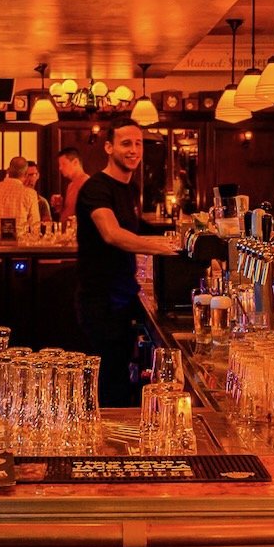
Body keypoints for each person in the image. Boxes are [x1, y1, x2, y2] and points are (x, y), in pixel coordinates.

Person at [75, 118, 176, 406]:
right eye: (126, 143)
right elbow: (112, 233)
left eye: (138, 143)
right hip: (100, 301)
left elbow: (134, 227)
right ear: (109, 147)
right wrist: (162, 247)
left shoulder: (130, 188)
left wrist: (178, 240)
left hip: (123, 296)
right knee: (106, 385)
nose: (133, 150)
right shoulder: (96, 188)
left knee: (121, 379)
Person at [55, 147, 89, 224]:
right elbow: (68, 213)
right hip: (67, 229)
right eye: (59, 165)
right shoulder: (70, 185)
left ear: (75, 162)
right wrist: (60, 207)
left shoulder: (87, 183)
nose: (60, 168)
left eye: (63, 164)